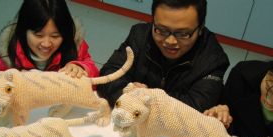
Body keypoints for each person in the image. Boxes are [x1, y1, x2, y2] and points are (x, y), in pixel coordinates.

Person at [97, 0, 229, 110]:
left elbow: (196, 107)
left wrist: (147, 97)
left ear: (200, 28)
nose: (170, 41)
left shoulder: (213, 60)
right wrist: (129, 93)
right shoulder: (140, 36)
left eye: (183, 34)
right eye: (161, 30)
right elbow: (107, 77)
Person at [0, 0, 99, 78]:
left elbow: (95, 76)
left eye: (55, 36)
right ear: (24, 30)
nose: (46, 44)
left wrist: (81, 68)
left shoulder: (75, 46)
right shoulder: (9, 56)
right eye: (39, 35)